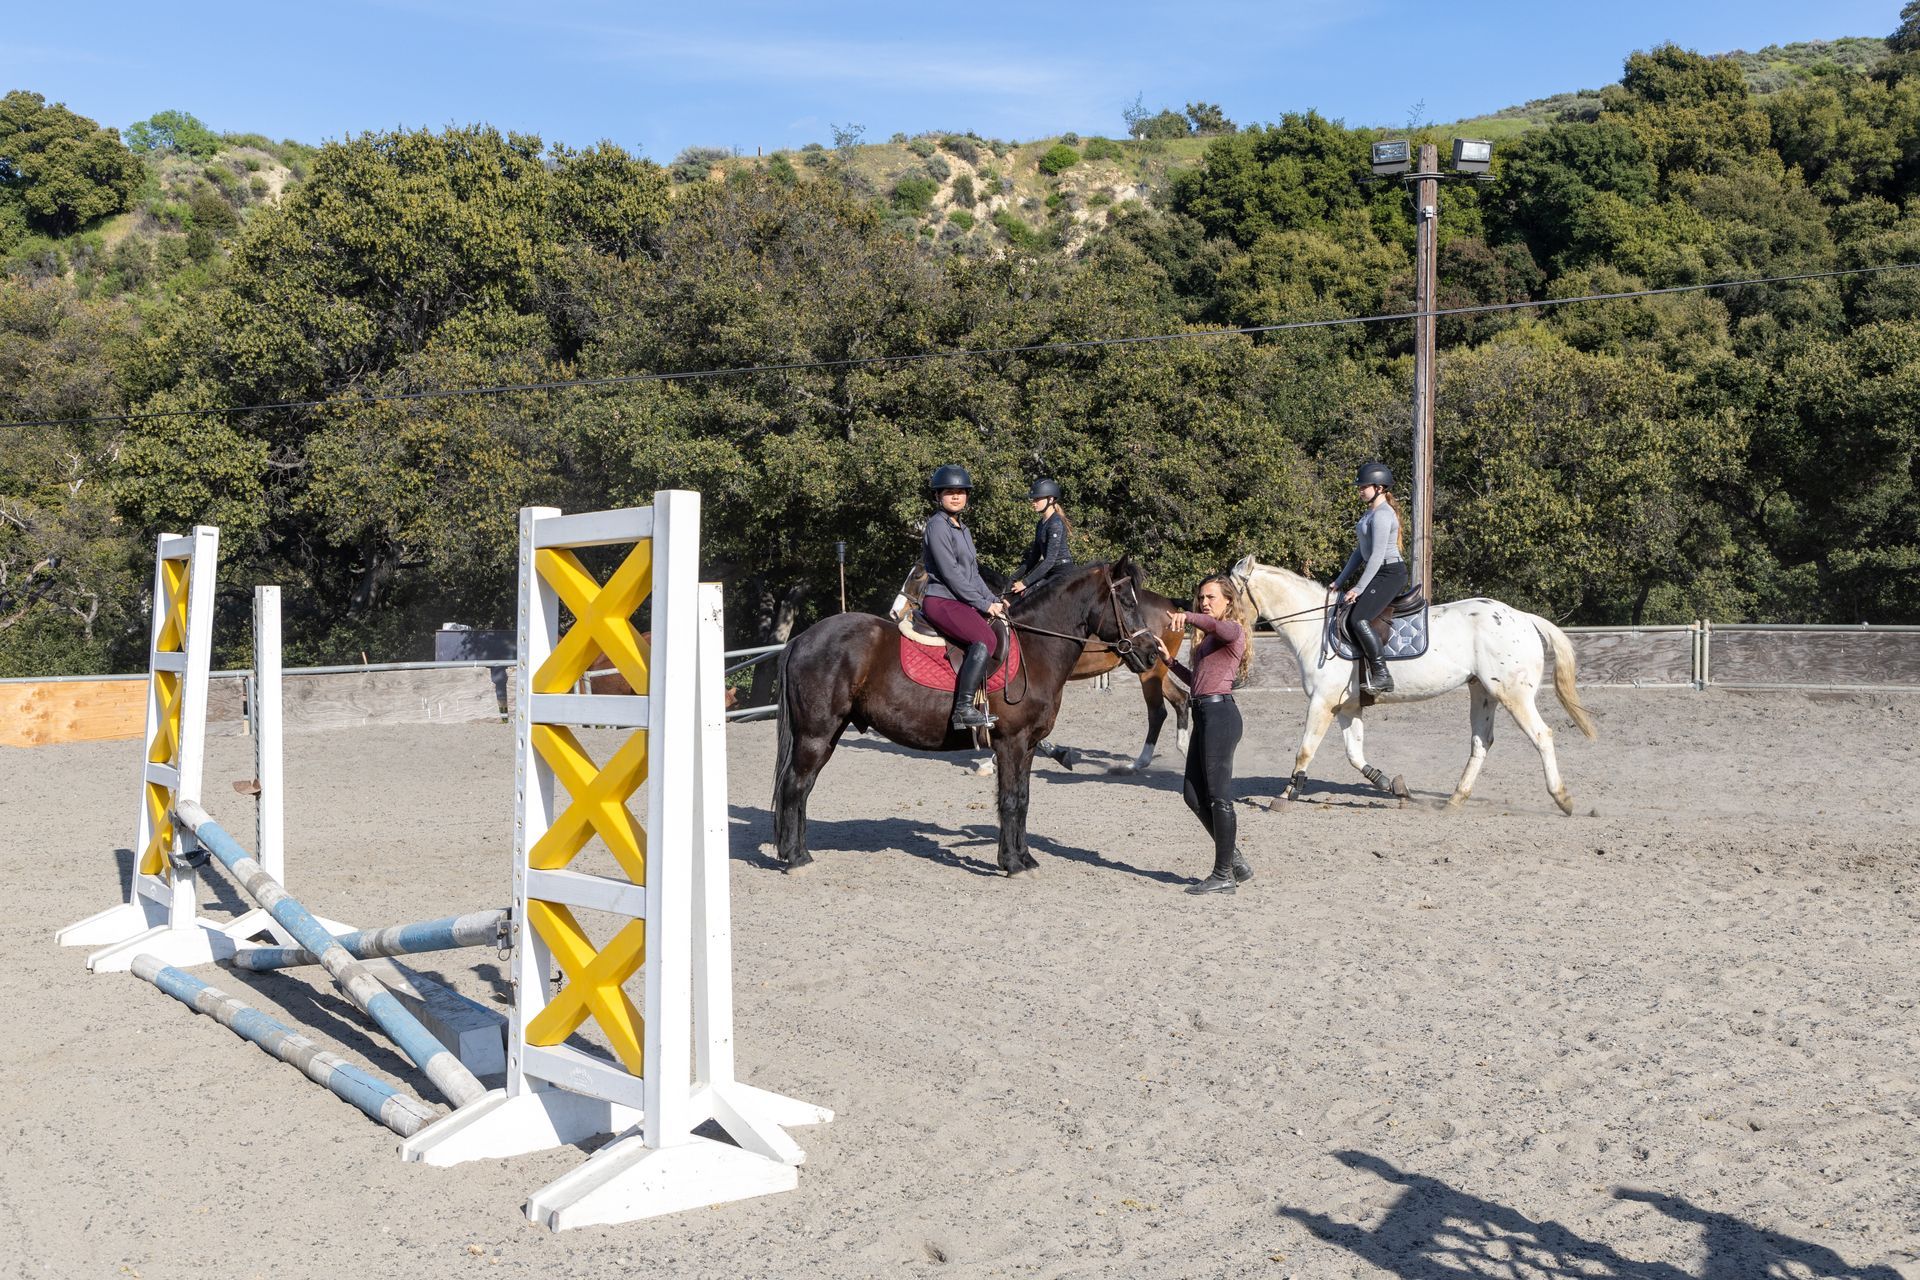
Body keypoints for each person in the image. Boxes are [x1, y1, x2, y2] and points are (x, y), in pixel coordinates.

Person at [1158, 575, 1254, 896]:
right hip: (1203, 712)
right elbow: (1196, 680)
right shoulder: (1205, 642)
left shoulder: (1231, 631)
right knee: (1192, 795)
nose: (1204, 602)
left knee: (1218, 797)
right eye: (1200, 598)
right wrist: (1169, 661)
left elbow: (1214, 626)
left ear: (1228, 601)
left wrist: (1188, 616)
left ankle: (1223, 873)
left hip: (1221, 716)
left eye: (1211, 597)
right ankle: (1234, 861)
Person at [920, 464, 1007, 730]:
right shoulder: (937, 527)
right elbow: (952, 575)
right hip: (942, 599)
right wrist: (982, 604)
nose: (956, 496)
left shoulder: (963, 529)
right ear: (938, 496)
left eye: (960, 492)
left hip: (959, 599)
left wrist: (994, 599)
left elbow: (972, 575)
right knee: (985, 638)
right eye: (949, 492)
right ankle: (963, 708)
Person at [1329, 461, 1408, 696]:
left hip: (1390, 573)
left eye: (1364, 486)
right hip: (1378, 570)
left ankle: (1382, 675)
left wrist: (1359, 587)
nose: (1360, 490)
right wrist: (1339, 581)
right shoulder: (1368, 514)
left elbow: (1376, 556)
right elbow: (1359, 553)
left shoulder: (1384, 515)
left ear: (1380, 488)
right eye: (1360, 486)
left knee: (1359, 619)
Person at [1009, 479, 1071, 597]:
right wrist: (1012, 578)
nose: (1033, 502)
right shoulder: (1040, 524)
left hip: (1062, 573)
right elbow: (1033, 558)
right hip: (1050, 572)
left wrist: (1025, 582)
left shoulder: (1055, 523)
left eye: (1037, 499)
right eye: (1033, 499)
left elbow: (1050, 560)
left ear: (1050, 499)